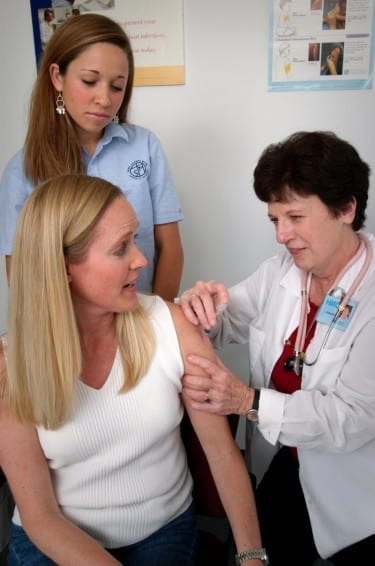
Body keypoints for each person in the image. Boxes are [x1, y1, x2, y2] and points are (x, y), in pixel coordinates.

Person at [0, 174, 265, 566]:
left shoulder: (172, 325)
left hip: (162, 531)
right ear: (64, 267)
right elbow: (40, 517)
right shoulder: (11, 363)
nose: (141, 260)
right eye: (120, 248)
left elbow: (222, 455)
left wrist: (253, 557)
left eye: (135, 240)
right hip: (55, 540)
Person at [178, 131, 375, 565]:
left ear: (346, 209)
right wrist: (198, 309)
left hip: (357, 487)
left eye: (295, 217)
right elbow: (226, 322)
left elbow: (352, 419)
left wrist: (246, 401)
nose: (282, 236)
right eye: (274, 220)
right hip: (289, 464)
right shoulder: (282, 273)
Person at [0, 13, 183, 301]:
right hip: (68, 331)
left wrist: (158, 322)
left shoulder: (144, 146)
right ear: (57, 77)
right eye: (89, 81)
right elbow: (23, 277)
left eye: (117, 86)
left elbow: (170, 248)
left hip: (140, 318)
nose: (105, 99)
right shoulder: (23, 171)